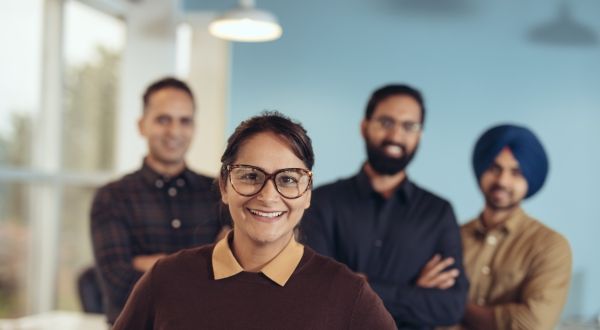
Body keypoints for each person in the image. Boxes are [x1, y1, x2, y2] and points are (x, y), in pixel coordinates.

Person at [112, 112, 396, 329]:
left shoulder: (348, 295)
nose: (268, 196)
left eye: (287, 179)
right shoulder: (166, 280)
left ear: (307, 193)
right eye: (250, 176)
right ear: (224, 185)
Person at [300, 84, 468, 329]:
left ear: (419, 136)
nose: (396, 136)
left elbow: (451, 306)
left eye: (409, 126)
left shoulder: (438, 212)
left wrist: (366, 285)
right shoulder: (323, 201)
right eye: (386, 122)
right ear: (364, 127)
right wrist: (411, 293)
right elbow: (317, 292)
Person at [90, 77, 229, 323]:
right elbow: (119, 287)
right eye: (163, 119)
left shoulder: (220, 192)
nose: (174, 131)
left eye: (184, 121)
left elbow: (236, 276)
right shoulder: (112, 197)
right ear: (142, 125)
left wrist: (151, 265)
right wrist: (205, 265)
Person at [453, 124, 571, 330]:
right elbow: (428, 310)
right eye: (494, 168)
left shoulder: (551, 246)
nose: (503, 181)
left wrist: (454, 305)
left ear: (529, 179)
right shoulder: (451, 236)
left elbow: (532, 324)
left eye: (516, 172)